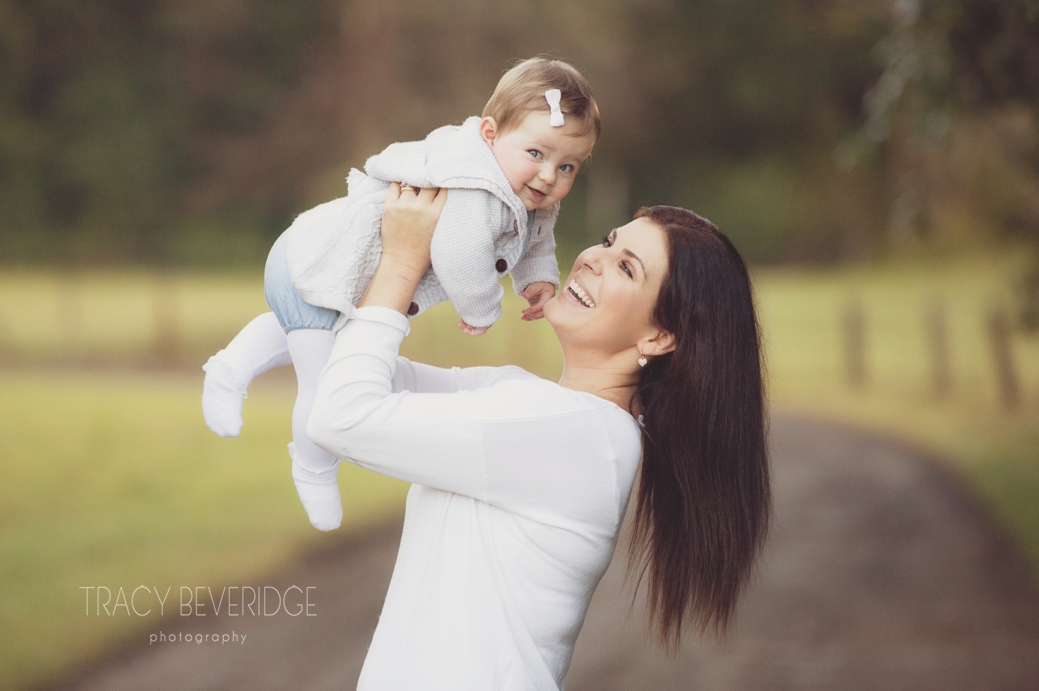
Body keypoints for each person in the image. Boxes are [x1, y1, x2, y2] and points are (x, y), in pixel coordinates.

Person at [305, 184, 772, 689]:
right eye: (607, 241)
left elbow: (342, 416)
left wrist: (403, 258)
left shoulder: (578, 436)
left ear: (658, 337)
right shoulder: (540, 408)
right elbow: (345, 371)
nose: (593, 258)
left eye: (626, 267)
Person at [200, 58, 601, 531]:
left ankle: (229, 370)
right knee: (325, 382)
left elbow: (535, 237)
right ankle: (313, 468)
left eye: (567, 165)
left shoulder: (526, 192)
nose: (550, 175)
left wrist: (537, 279)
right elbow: (458, 250)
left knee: (299, 326)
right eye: (536, 153)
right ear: (490, 135)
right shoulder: (477, 189)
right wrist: (483, 306)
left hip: (316, 267)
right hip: (322, 265)